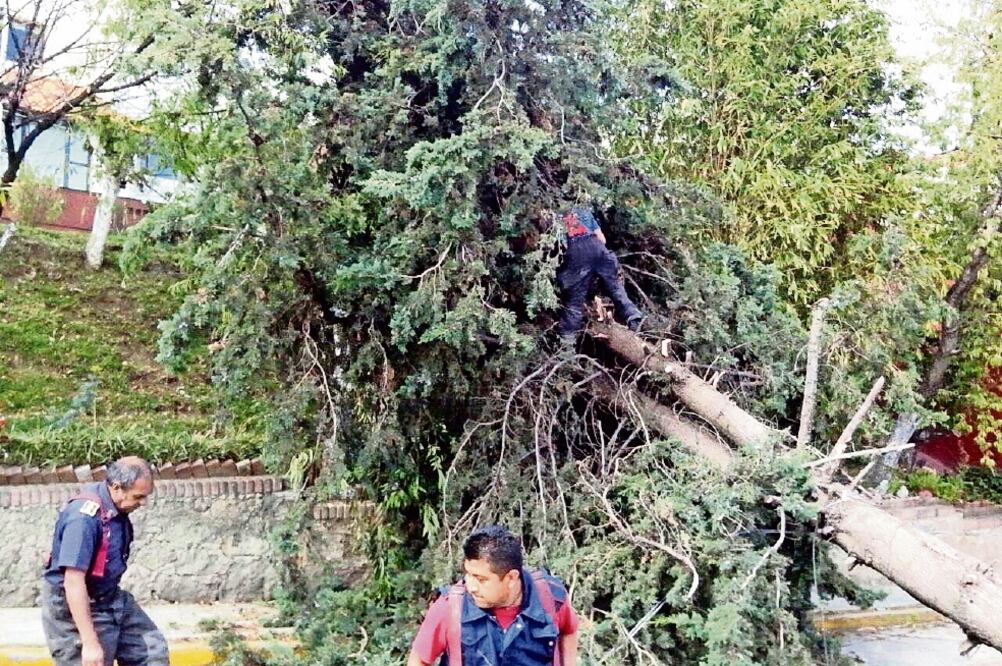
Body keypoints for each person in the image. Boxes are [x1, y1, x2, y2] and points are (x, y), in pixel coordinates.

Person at [40, 456, 169, 666]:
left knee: (152, 653)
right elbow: (73, 582)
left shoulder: (115, 506)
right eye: (138, 497)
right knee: (94, 660)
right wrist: (90, 643)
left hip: (109, 596)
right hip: (74, 604)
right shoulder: (84, 519)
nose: (143, 503)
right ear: (117, 487)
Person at [406, 525, 579, 666]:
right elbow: (419, 660)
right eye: (468, 574)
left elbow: (569, 631)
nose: (471, 587)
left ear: (511, 578)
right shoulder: (450, 608)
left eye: (481, 579)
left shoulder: (550, 598)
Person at [556, 207, 643, 339]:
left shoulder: (555, 216)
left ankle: (567, 344)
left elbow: (562, 246)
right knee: (615, 287)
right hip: (598, 249)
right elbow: (602, 239)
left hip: (577, 255)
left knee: (575, 301)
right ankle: (634, 318)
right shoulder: (583, 210)